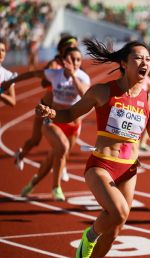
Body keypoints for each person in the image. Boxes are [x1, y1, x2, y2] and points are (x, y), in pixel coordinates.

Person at [35, 39, 150, 258]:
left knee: (114, 230)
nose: (145, 62)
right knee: (120, 212)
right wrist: (51, 112)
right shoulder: (102, 91)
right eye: (138, 58)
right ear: (123, 63)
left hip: (128, 171)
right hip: (101, 164)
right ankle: (90, 234)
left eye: (147, 59)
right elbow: (71, 113)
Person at [2, 47, 90, 201]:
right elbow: (32, 74)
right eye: (71, 58)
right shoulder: (54, 74)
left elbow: (85, 96)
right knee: (62, 147)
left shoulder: (83, 77)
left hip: (73, 126)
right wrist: (11, 81)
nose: (74, 62)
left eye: (78, 60)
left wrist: (73, 76)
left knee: (53, 158)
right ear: (64, 60)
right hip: (53, 121)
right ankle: (56, 187)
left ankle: (33, 182)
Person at [14, 35, 78, 171]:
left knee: (65, 141)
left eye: (75, 47)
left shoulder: (76, 65)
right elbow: (43, 82)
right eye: (70, 47)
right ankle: (21, 154)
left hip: (61, 109)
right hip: (45, 107)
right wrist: (53, 76)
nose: (73, 50)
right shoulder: (54, 64)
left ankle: (61, 169)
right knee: (35, 140)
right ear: (62, 49)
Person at [0, 38, 17, 107]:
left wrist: (0, 94)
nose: (0, 53)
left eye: (3, 50)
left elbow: (13, 101)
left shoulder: (7, 75)